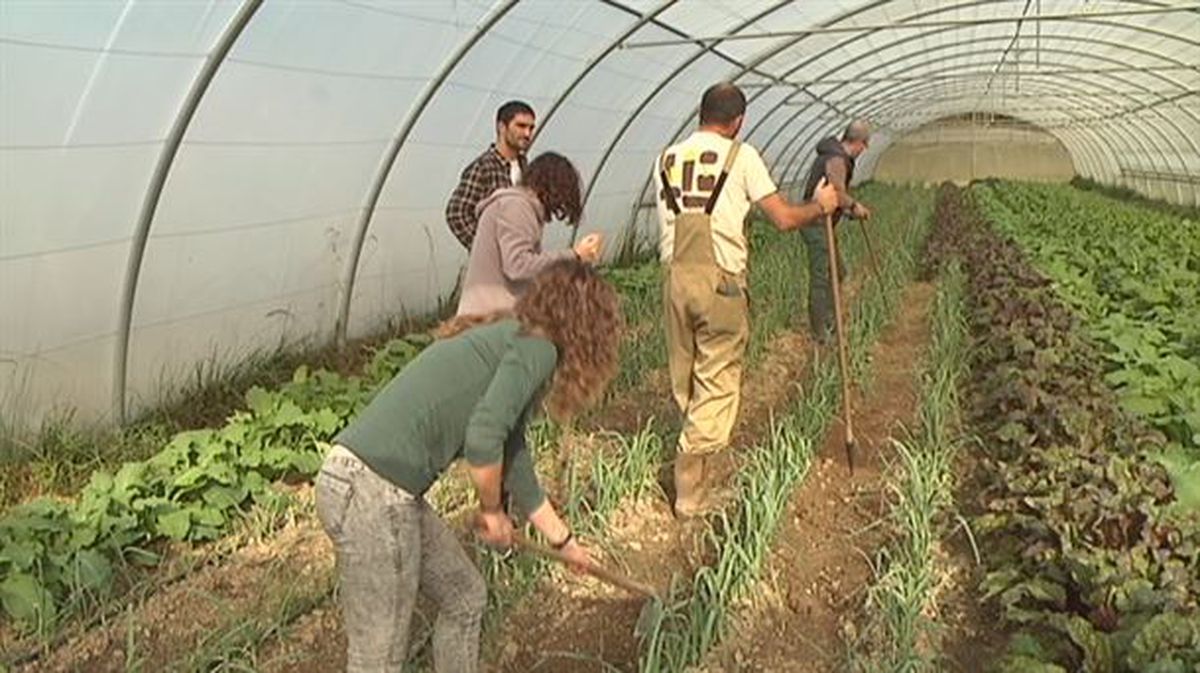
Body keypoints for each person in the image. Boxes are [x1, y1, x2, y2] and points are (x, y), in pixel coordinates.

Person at [315, 260, 622, 673]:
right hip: (371, 490)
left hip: (378, 488)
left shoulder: (514, 340)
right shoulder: (538, 347)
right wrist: (492, 511)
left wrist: (563, 542)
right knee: (379, 660)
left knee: (465, 597)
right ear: (585, 323)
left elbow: (511, 452)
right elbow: (483, 436)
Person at [655, 82, 839, 517]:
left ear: (701, 113)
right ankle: (689, 490)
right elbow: (783, 219)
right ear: (737, 121)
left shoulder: (666, 157)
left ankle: (694, 461)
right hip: (719, 282)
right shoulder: (742, 156)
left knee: (687, 376)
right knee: (717, 380)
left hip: (676, 280)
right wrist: (820, 205)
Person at [456, 152, 602, 316]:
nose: (558, 206)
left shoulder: (520, 207)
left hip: (492, 318)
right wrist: (574, 255)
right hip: (486, 320)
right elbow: (518, 266)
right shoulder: (516, 207)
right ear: (551, 187)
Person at [800, 119, 873, 344]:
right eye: (865, 146)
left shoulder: (833, 154)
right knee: (822, 278)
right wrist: (854, 206)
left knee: (838, 273)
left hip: (824, 221)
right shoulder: (837, 159)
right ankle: (820, 332)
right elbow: (836, 193)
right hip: (816, 223)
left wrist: (847, 211)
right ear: (861, 144)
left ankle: (831, 320)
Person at [445, 100, 537, 250]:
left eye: (531, 128)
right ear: (501, 127)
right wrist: (487, 248)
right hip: (493, 269)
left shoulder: (526, 168)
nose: (527, 133)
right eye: (521, 126)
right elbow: (456, 213)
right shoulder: (483, 167)